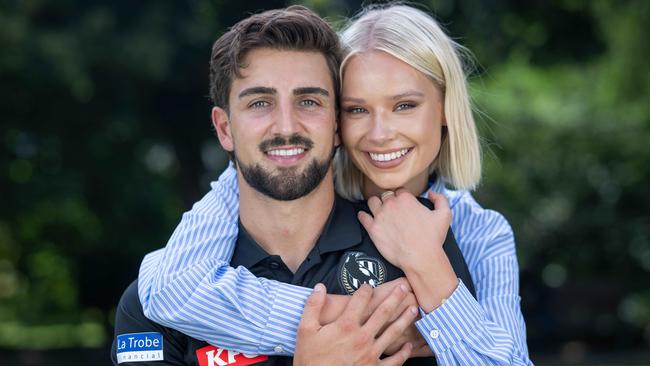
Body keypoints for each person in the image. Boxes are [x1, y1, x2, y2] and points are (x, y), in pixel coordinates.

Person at [136, 3, 533, 365]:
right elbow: (167, 285)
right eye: (357, 109)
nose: (380, 133)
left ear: (447, 109)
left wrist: (426, 264)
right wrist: (365, 321)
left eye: (404, 105)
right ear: (337, 121)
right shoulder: (281, 195)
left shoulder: (480, 230)